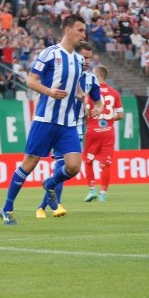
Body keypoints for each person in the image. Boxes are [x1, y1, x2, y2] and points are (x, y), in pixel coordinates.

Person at [0, 14, 103, 225]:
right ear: (67, 30)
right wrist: (49, 91)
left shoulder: (77, 59)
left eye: (84, 31)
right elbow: (30, 80)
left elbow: (72, 84)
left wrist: (82, 95)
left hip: (67, 124)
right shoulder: (49, 53)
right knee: (29, 164)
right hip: (45, 119)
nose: (83, 34)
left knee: (74, 167)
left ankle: (50, 182)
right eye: (80, 30)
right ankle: (7, 207)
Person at [35, 42, 100, 218]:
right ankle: (53, 206)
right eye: (84, 57)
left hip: (77, 127)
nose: (87, 61)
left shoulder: (91, 78)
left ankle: (43, 206)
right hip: (59, 123)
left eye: (89, 58)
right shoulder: (65, 74)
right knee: (61, 165)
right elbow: (44, 92)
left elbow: (98, 99)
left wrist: (97, 108)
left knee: (66, 167)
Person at [83, 65, 124, 203]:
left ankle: (92, 189)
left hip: (93, 131)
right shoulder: (114, 93)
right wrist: (108, 119)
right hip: (108, 132)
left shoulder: (92, 91)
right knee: (106, 163)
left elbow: (87, 112)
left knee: (88, 160)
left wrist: (88, 119)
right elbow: (121, 115)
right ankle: (103, 193)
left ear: (98, 76)